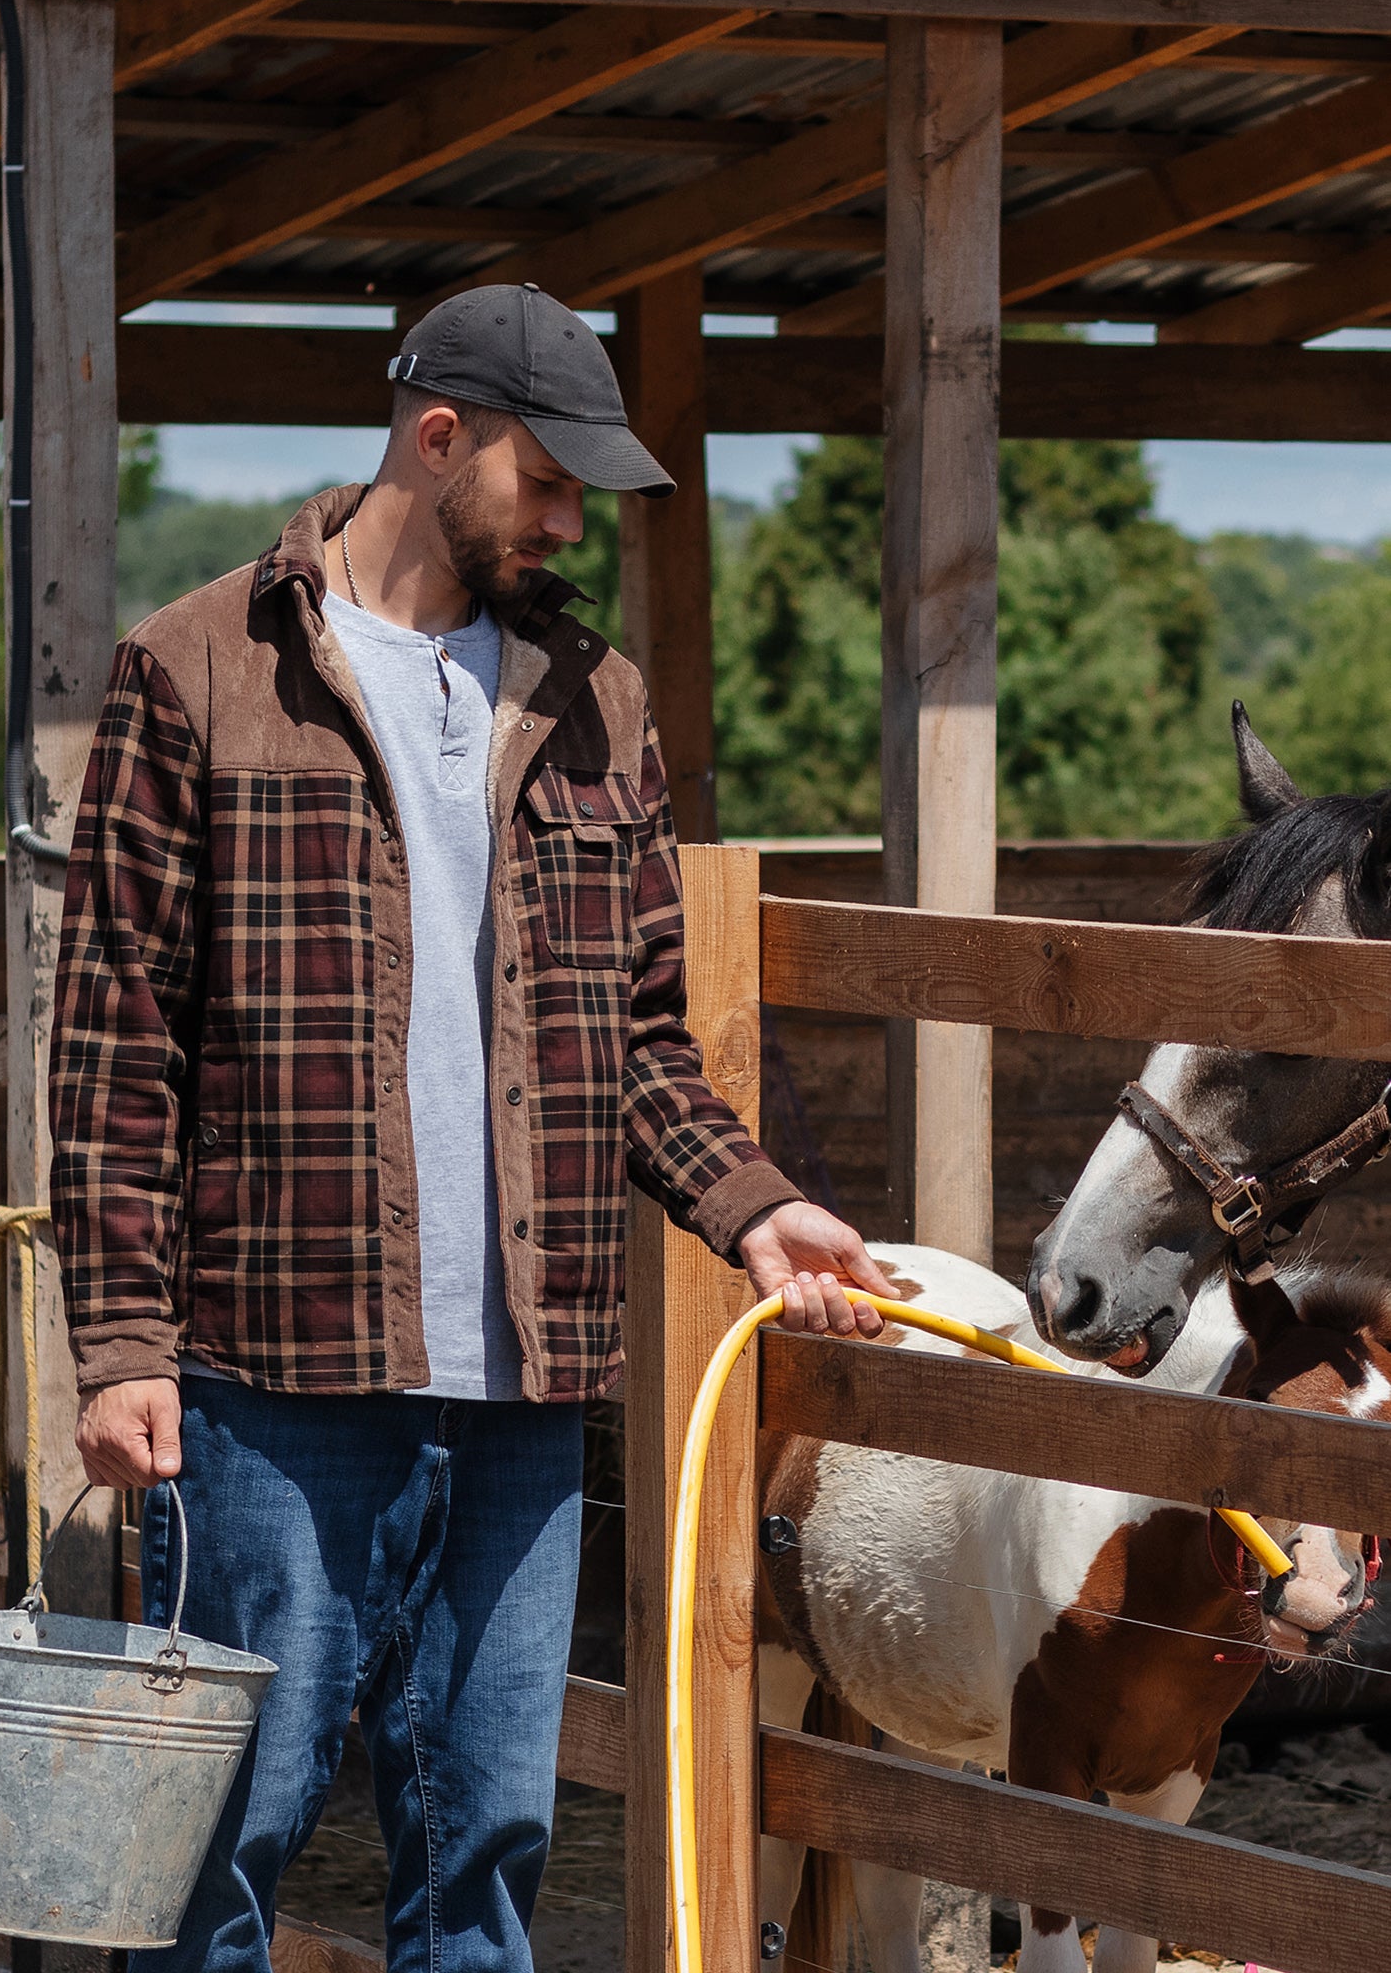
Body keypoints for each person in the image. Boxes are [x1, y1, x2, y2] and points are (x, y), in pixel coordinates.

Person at [49, 281, 890, 1973]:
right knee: (221, 1843)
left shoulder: (599, 701)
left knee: (489, 1851)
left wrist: (755, 1211)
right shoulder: (201, 668)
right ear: (440, 439)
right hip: (271, 1379)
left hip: (524, 1384)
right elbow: (115, 1036)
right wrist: (122, 1342)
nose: (574, 521)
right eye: (551, 481)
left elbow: (639, 1033)